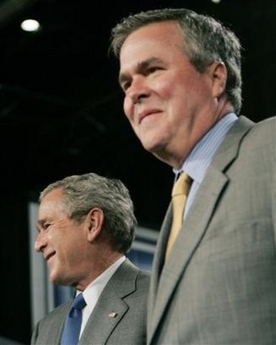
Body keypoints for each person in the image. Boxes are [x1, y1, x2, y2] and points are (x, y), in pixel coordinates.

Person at [109, 7, 276, 345]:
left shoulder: (270, 147)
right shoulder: (182, 201)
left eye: (152, 70)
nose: (133, 92)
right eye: (126, 82)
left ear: (216, 78)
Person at [31, 172, 150, 345]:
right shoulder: (45, 329)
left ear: (92, 224)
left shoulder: (157, 296)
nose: (38, 245)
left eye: (47, 226)